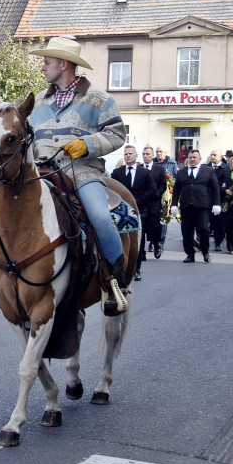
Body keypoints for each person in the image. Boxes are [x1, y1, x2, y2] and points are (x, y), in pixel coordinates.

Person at [27, 36, 129, 314]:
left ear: (64, 63)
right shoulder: (36, 102)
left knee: (99, 216)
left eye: (47, 62)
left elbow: (117, 134)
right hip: (41, 173)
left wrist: (88, 144)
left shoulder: (99, 99)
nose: (43, 68)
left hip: (82, 171)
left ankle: (115, 282)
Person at [111, 145, 157, 281]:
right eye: (126, 154)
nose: (128, 156)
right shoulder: (117, 172)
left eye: (131, 153)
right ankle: (120, 268)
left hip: (139, 210)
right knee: (122, 240)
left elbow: (152, 190)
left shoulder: (144, 172)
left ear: (136, 155)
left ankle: (137, 269)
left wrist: (137, 201)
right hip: (121, 211)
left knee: (137, 241)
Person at [171, 149, 221, 263]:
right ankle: (190, 254)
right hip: (186, 205)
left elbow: (215, 188)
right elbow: (177, 189)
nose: (192, 159)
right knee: (187, 232)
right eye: (190, 157)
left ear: (200, 158)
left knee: (204, 229)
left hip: (202, 205)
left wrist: (216, 204)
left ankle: (205, 251)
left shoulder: (208, 171)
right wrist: (174, 204)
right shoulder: (181, 172)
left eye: (194, 157)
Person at [140, 146, 168, 258]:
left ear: (152, 156)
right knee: (141, 228)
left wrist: (155, 195)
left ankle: (156, 246)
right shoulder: (139, 168)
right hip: (142, 202)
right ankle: (141, 251)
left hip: (154, 203)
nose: (145, 156)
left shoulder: (159, 169)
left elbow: (163, 186)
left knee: (154, 227)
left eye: (147, 154)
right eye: (143, 154)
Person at [154, 145, 180, 252]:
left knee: (164, 218)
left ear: (166, 152)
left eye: (161, 151)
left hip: (167, 195)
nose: (159, 153)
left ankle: (161, 242)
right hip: (155, 194)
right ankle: (153, 241)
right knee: (153, 219)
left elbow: (176, 178)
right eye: (157, 151)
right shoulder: (153, 163)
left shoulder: (172, 163)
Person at [207, 150, 231, 251]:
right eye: (211, 155)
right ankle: (202, 241)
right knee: (206, 222)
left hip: (221, 199)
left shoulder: (226, 169)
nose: (213, 157)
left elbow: (225, 184)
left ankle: (218, 242)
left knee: (219, 223)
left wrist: (222, 188)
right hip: (207, 198)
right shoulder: (206, 167)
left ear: (221, 157)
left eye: (215, 155)